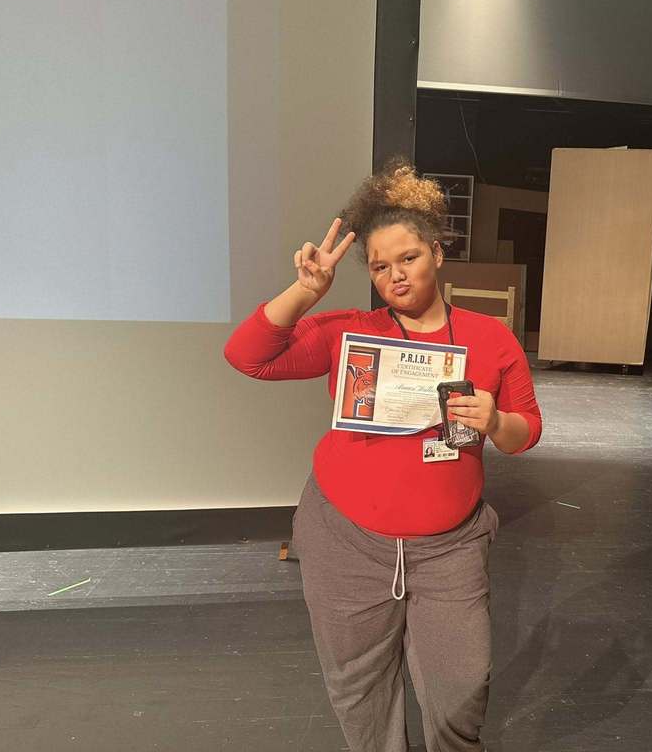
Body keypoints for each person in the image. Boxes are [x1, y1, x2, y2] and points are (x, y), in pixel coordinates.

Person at [223, 161, 542, 752]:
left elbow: (527, 431)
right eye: (378, 266)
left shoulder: (489, 339)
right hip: (345, 541)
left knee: (461, 690)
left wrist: (496, 421)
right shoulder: (352, 333)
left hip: (449, 548)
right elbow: (249, 357)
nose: (394, 275)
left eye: (408, 258)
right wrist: (305, 291)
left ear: (438, 253)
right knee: (361, 692)